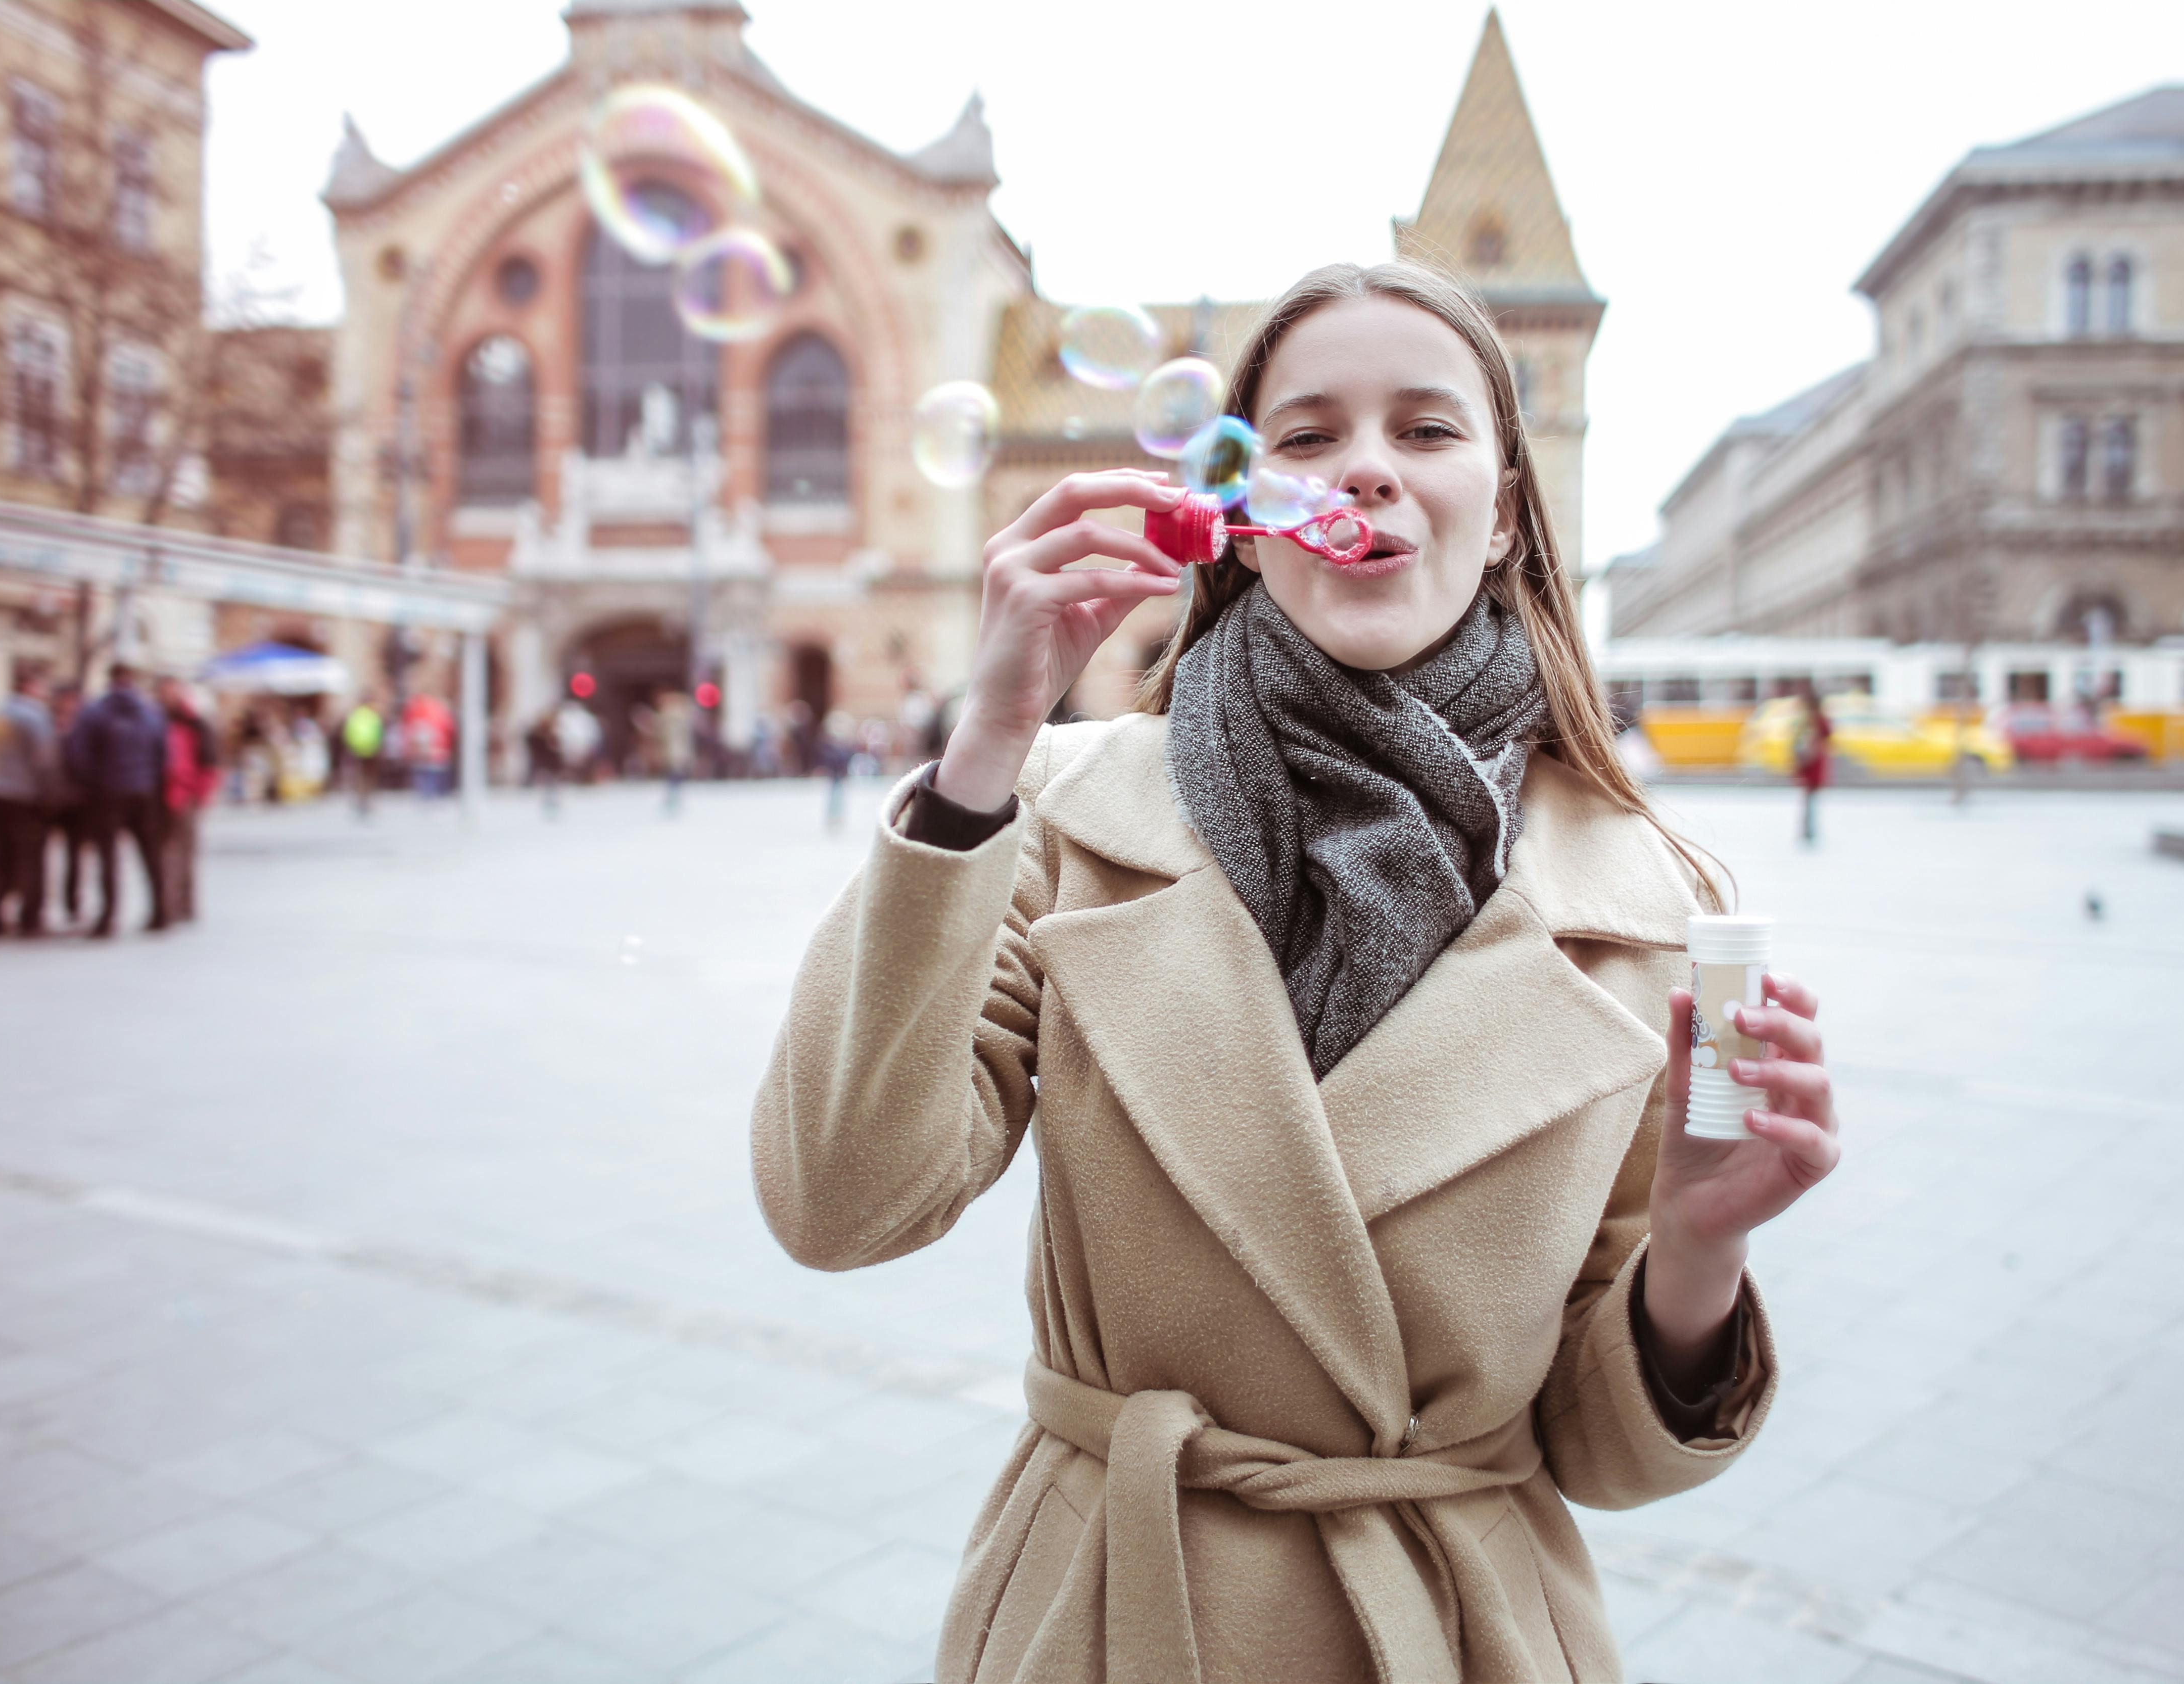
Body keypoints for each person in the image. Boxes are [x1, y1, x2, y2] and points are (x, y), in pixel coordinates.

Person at [753, 262, 1842, 1683]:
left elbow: (1596, 1447)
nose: (1368, 469)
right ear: (1245, 528)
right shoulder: (1062, 817)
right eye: (1310, 436)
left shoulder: (1656, 903)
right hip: (1109, 1609)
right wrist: (984, 753)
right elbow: (841, 1205)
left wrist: (1699, 1250)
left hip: (1456, 1627)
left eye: (1428, 430)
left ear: (1509, 511)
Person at [64, 661, 167, 936]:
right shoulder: (150, 712)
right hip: (144, 790)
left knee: (108, 857)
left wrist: (93, 782)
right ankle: (160, 912)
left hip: (107, 792)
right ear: (133, 680)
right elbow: (163, 753)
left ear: (110, 679)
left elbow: (77, 754)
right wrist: (150, 779)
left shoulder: (95, 712)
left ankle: (109, 917)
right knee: (150, 854)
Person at [0, 661, 57, 937]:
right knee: (31, 857)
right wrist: (50, 797)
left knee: (2, 854)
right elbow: (45, 761)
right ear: (29, 686)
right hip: (24, 797)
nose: (45, 692)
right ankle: (31, 917)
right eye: (42, 685)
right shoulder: (34, 716)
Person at [155, 678, 222, 922]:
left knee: (184, 853)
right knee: (166, 854)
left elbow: (211, 761)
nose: (168, 696)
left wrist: (202, 795)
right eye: (164, 692)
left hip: (187, 796)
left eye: (172, 691)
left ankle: (184, 903)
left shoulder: (196, 722)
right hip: (161, 797)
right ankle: (168, 903)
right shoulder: (156, 720)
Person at [43, 682, 89, 926]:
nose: (70, 705)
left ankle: (73, 904)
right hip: (47, 800)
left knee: (75, 857)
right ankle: (36, 906)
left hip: (77, 804)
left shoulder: (86, 729)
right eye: (66, 700)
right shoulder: (44, 726)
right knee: (39, 856)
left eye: (74, 701)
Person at [1791, 679, 1834, 846]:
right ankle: (1808, 831)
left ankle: (1808, 831)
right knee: (1810, 800)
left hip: (1811, 765)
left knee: (1809, 800)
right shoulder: (1816, 721)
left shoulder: (1809, 721)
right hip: (1813, 765)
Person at [402, 690, 456, 799]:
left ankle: (428, 794)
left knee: (427, 771)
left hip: (432, 750)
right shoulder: (436, 713)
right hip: (435, 750)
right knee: (430, 771)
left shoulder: (420, 712)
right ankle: (430, 794)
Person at [652, 685, 697, 813]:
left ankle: (673, 795)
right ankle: (674, 795)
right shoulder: (683, 715)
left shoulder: (671, 715)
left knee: (673, 773)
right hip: (678, 750)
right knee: (675, 773)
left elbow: (661, 731)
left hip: (674, 750)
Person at [341, 694, 385, 815]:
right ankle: (367, 797)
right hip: (371, 748)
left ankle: (360, 798)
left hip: (357, 748)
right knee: (369, 775)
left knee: (359, 774)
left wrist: (350, 746)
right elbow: (379, 732)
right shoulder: (373, 714)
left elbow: (348, 732)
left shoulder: (355, 715)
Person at [525, 708, 565, 816]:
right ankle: (547, 804)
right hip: (545, 766)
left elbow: (557, 751)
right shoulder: (538, 736)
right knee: (546, 786)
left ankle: (552, 803)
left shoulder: (552, 734)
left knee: (552, 786)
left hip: (551, 767)